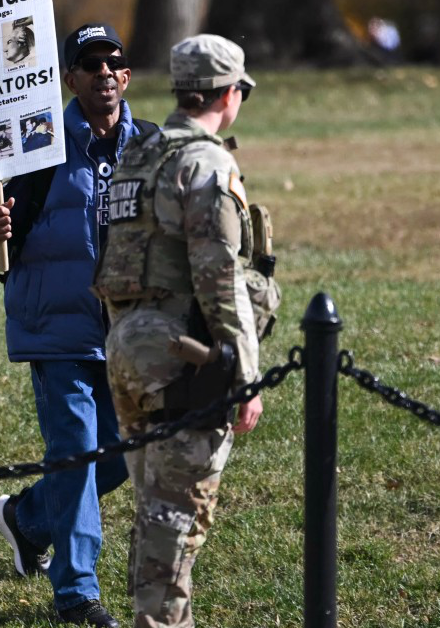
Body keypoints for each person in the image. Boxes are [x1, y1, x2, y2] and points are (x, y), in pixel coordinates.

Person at [0, 22, 159, 628]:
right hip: (60, 329)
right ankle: (77, 594)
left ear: (125, 75)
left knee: (126, 450)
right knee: (76, 447)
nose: (103, 72)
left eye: (112, 63)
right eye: (89, 64)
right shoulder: (38, 145)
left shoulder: (152, 145)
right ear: (69, 79)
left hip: (129, 332)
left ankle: (28, 520)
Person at [92, 35, 281, 628]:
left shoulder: (139, 154)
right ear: (228, 94)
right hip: (182, 358)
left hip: (127, 348)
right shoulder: (206, 163)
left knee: (155, 511)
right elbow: (218, 275)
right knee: (176, 522)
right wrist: (245, 377)